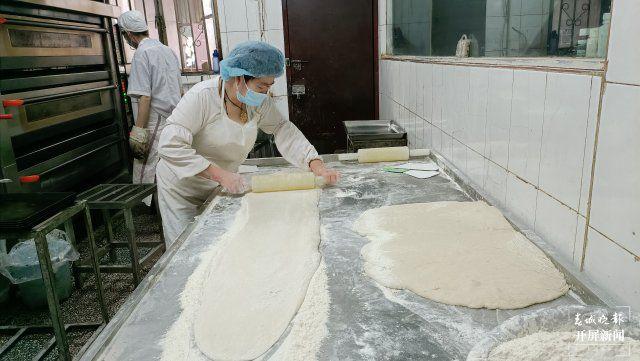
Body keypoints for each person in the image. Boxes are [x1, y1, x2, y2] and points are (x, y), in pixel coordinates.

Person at [156, 41, 339, 245]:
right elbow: (169, 145)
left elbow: (282, 128)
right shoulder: (202, 97)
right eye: (261, 85)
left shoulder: (258, 100)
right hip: (183, 188)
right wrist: (220, 175)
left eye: (269, 86)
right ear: (238, 77)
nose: (265, 92)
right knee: (187, 249)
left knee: (219, 245)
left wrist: (315, 163)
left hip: (223, 184)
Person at [118, 10, 182, 206]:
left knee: (146, 164)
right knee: (168, 164)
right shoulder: (167, 50)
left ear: (129, 34)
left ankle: (151, 207)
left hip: (154, 118)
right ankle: (168, 204)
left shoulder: (142, 53)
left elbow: (145, 97)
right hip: (174, 117)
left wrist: (138, 131)